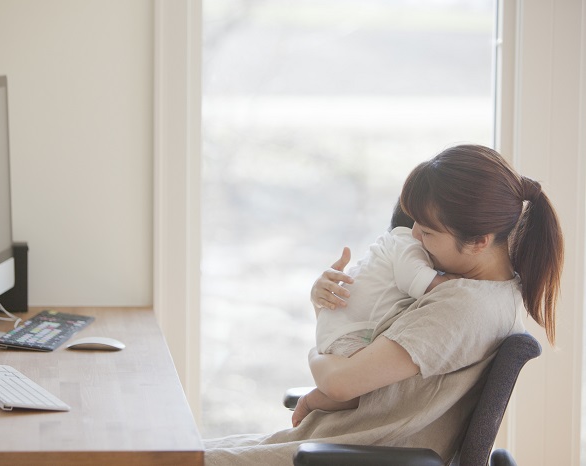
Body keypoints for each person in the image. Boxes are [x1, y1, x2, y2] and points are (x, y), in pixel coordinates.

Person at [204, 144, 563, 466]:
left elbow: (341, 383)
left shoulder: (461, 307)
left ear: (478, 241)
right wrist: (329, 303)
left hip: (347, 451)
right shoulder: (496, 295)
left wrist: (316, 354)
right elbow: (375, 377)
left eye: (427, 231)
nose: (413, 238)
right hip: (339, 443)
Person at [292, 201, 460, 427]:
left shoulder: (393, 244)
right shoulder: (407, 244)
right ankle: (314, 401)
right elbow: (418, 280)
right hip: (348, 334)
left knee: (370, 384)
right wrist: (454, 282)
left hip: (341, 328)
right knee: (370, 390)